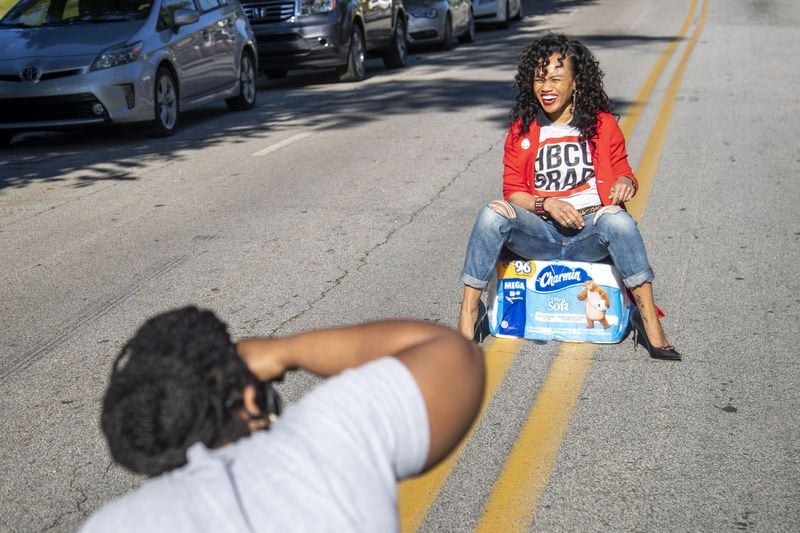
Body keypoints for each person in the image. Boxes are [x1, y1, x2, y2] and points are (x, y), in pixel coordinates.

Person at [81, 306, 485, 532]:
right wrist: (283, 350)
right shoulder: (321, 453)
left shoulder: (112, 524)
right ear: (253, 400)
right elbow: (452, 354)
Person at [457, 33, 680, 360]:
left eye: (556, 79)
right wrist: (545, 203)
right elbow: (513, 189)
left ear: (576, 82)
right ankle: (468, 315)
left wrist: (624, 184)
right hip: (541, 233)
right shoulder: (523, 130)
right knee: (492, 214)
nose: (545, 87)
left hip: (590, 233)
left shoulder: (602, 125)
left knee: (618, 221)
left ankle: (649, 325)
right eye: (539, 79)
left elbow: (624, 172)